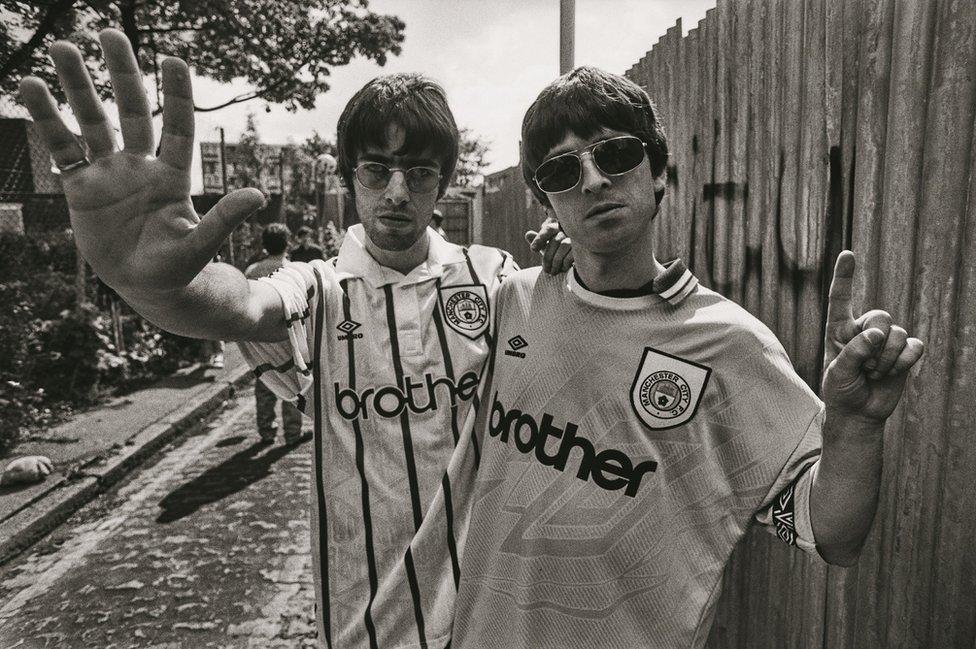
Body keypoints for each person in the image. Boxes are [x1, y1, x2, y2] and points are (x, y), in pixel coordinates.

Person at [19, 29, 571, 649]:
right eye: (376, 169)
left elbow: (585, 361)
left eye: (417, 172)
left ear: (442, 182)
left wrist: (581, 264)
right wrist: (159, 286)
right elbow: (244, 305)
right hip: (371, 623)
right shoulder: (319, 288)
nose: (395, 192)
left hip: (499, 615)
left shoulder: (491, 275)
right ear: (349, 177)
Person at [450, 67, 925, 648]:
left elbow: (831, 532)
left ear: (658, 174)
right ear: (543, 199)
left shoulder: (728, 345)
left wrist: (856, 425)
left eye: (616, 154)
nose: (594, 181)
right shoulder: (511, 305)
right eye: (562, 170)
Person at [244, 223, 304, 444]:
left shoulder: (252, 272)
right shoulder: (295, 270)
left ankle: (266, 431)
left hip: (260, 342)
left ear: (265, 245)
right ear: (287, 243)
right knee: (293, 389)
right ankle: (292, 433)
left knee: (264, 387)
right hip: (290, 340)